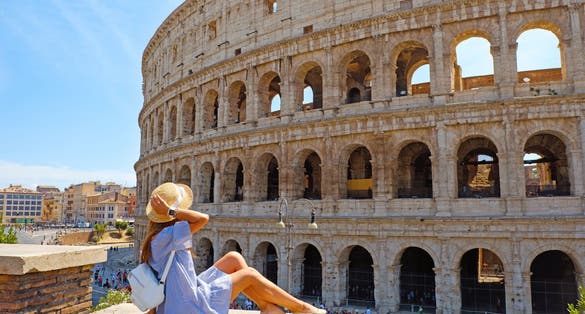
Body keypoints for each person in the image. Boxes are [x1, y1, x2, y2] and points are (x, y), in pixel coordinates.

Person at [142, 182, 326, 314]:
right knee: (250, 275)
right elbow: (202, 219)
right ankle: (301, 308)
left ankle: (267, 307)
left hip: (181, 297)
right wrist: (171, 211)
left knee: (234, 258)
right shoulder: (169, 235)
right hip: (190, 306)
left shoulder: (155, 239)